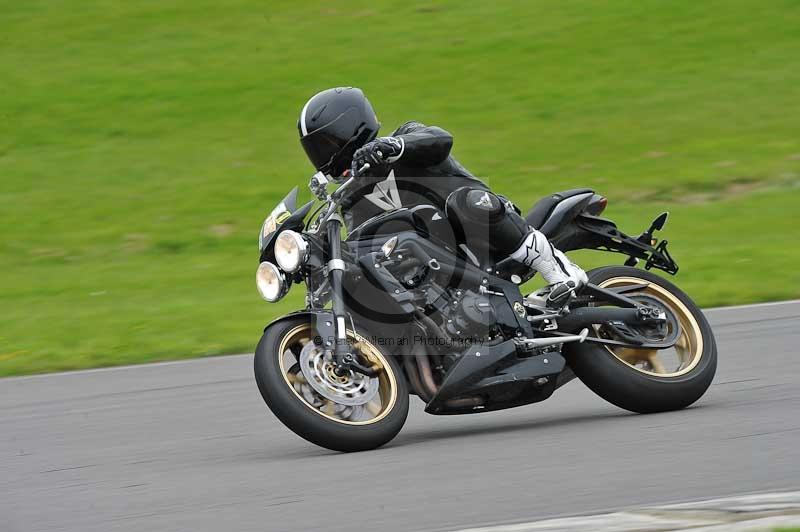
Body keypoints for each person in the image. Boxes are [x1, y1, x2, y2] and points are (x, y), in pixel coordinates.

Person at [297, 87, 587, 306]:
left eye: (327, 143)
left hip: (484, 230)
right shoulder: (351, 198)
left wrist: (394, 145)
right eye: (316, 148)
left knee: (466, 203)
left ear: (350, 126)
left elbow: (440, 139)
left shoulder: (404, 138)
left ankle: (558, 269)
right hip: (441, 270)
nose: (323, 155)